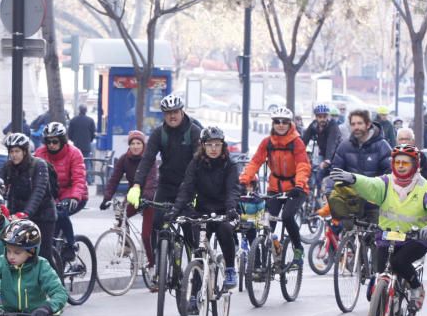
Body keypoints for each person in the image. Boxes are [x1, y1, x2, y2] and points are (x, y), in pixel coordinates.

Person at [330, 144, 427, 309]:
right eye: (397, 162)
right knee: (379, 268)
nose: (400, 166)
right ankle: (382, 297)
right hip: (388, 235)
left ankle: (416, 287)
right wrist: (354, 179)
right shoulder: (386, 182)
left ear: (415, 165)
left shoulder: (425, 189)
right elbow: (370, 184)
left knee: (399, 262)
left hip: (415, 239)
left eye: (405, 163)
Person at [126, 93, 205, 263]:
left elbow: (198, 163)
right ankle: (157, 265)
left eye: (175, 111)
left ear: (182, 111)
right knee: (156, 223)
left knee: (190, 229)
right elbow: (147, 160)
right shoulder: (159, 133)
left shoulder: (194, 132)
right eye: (168, 112)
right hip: (166, 185)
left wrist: (197, 190)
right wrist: (137, 185)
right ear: (163, 114)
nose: (172, 116)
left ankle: (196, 268)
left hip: (189, 188)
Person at [173, 126, 241, 298]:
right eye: (209, 144)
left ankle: (231, 268)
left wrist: (231, 208)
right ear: (202, 146)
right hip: (202, 211)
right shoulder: (196, 163)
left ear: (222, 145)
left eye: (217, 144)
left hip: (224, 210)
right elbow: (186, 188)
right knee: (198, 251)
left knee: (225, 230)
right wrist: (176, 209)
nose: (213, 149)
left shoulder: (230, 165)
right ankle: (195, 295)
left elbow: (233, 189)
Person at [238, 107, 311, 265]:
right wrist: (244, 180)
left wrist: (299, 184)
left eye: (284, 122)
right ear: (273, 123)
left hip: (296, 188)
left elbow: (303, 165)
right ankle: (262, 260)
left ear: (290, 123)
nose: (281, 125)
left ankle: (298, 248)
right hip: (275, 188)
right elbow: (255, 162)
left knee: (287, 216)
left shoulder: (296, 142)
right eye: (277, 121)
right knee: (266, 222)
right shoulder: (267, 142)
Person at [100, 130, 158, 283]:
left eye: (138, 143)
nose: (135, 146)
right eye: (132, 143)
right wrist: (107, 198)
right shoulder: (124, 159)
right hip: (134, 195)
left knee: (146, 235)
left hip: (149, 197)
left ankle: (152, 264)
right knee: (121, 213)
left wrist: (146, 197)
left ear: (143, 144)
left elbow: (152, 180)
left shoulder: (149, 159)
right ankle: (126, 245)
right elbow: (114, 179)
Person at [34, 122, 88, 263]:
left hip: (75, 194)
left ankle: (70, 245)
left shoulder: (74, 153)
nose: (51, 145)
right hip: (51, 196)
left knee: (61, 213)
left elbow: (79, 179)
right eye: (48, 141)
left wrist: (74, 197)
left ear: (62, 140)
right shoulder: (40, 153)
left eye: (55, 141)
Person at [0, 132, 58, 263]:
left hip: (43, 215)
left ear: (25, 151)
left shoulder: (39, 165)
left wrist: (26, 213)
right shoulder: (8, 166)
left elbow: (39, 191)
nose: (13, 155)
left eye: (17, 151)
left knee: (43, 255)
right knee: (14, 251)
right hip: (18, 215)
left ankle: (57, 283)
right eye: (11, 151)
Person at [301, 103, 342, 188]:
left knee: (325, 174)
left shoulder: (333, 126)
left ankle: (323, 194)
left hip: (336, 155)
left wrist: (327, 160)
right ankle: (313, 191)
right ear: (316, 117)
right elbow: (304, 139)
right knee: (312, 170)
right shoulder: (314, 125)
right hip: (323, 153)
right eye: (320, 117)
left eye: (325, 116)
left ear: (328, 116)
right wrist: (298, 153)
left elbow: (332, 143)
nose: (322, 119)